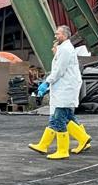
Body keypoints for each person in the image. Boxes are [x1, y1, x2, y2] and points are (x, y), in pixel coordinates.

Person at [28, 25, 91, 160]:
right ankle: (83, 137)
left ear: (65, 35)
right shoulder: (64, 49)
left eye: (58, 34)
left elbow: (59, 71)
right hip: (64, 88)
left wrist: (47, 82)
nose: (56, 36)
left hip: (66, 89)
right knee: (66, 117)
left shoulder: (65, 50)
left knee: (58, 119)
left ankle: (62, 150)